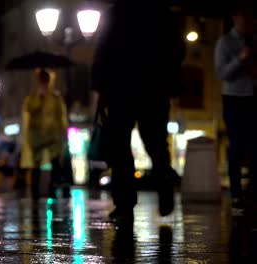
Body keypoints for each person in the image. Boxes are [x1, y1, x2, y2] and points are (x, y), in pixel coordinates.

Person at [91, 0, 185, 223]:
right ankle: (164, 187)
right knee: (156, 143)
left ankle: (124, 205)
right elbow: (177, 50)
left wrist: (101, 89)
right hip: (154, 89)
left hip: (120, 89)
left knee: (120, 147)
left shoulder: (116, 12)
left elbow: (102, 52)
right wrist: (170, 83)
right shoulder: (163, 12)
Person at [214, 1, 257, 214]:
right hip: (234, 98)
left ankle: (252, 192)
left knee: (255, 146)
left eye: (251, 16)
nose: (248, 20)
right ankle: (237, 194)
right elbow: (221, 74)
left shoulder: (256, 40)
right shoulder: (225, 43)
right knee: (237, 145)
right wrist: (240, 59)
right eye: (244, 16)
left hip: (254, 97)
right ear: (235, 18)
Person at [21, 70, 69, 200]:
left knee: (55, 163)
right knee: (36, 167)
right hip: (37, 136)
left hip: (53, 136)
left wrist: (62, 133)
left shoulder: (55, 98)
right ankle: (35, 192)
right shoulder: (33, 97)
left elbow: (60, 116)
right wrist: (39, 99)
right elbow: (29, 110)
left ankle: (52, 189)